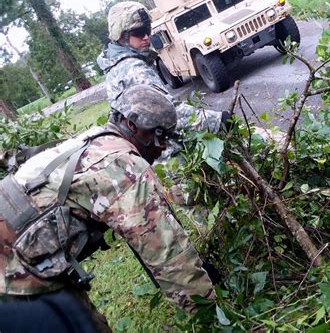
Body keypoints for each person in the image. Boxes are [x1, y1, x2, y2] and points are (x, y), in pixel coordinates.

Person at [0, 85, 215, 332]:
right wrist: (214, 315)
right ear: (133, 126)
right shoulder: (120, 167)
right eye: (160, 136)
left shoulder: (97, 138)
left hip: (24, 257)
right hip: (13, 276)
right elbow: (169, 258)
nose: (164, 147)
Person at [96, 1, 231, 138]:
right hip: (162, 150)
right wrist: (218, 121)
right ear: (121, 35)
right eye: (138, 32)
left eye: (147, 31)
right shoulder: (133, 69)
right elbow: (166, 113)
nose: (146, 37)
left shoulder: (115, 65)